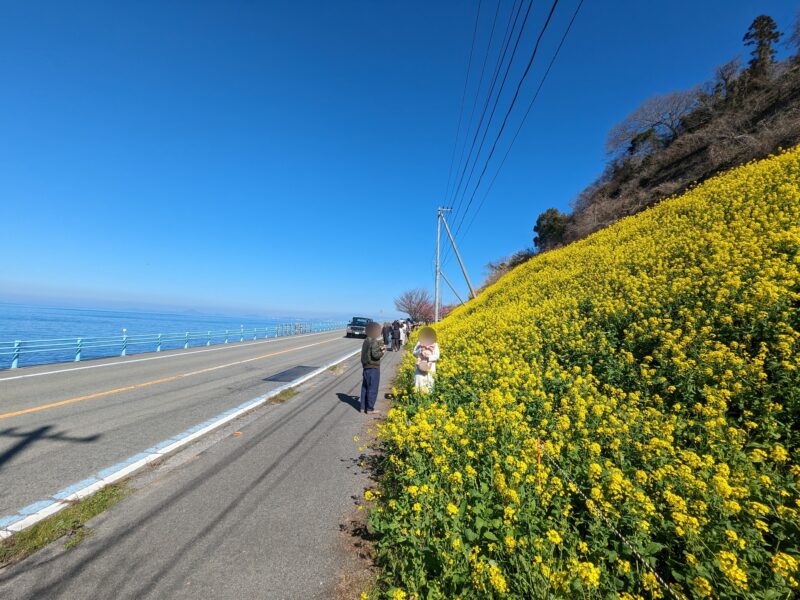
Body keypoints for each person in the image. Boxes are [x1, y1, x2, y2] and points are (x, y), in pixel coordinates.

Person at [360, 322, 385, 413]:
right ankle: (370, 408)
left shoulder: (366, 340)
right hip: (373, 367)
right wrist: (382, 351)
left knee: (365, 387)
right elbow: (375, 355)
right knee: (373, 388)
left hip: (365, 366)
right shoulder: (374, 341)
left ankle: (362, 407)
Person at [413, 326, 440, 393]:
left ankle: (428, 397)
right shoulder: (419, 343)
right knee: (419, 380)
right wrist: (420, 351)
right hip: (420, 365)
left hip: (430, 366)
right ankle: (418, 396)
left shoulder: (435, 345)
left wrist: (429, 357)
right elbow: (414, 353)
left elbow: (437, 356)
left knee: (429, 381)